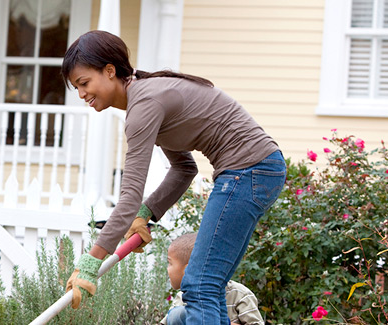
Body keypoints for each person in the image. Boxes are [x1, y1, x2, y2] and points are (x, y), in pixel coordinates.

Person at [61, 30, 286, 324]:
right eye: (76, 87)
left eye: (84, 83)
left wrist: (91, 261)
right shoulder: (147, 97)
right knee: (208, 285)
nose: (81, 94)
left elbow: (128, 198)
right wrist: (146, 214)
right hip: (258, 170)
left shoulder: (144, 105)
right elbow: (184, 169)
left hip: (247, 170)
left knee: (199, 285)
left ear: (109, 71)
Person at [162, 233, 264, 325]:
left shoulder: (240, 294)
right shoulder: (182, 296)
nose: (167, 268)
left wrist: (220, 321)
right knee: (176, 314)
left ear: (189, 269)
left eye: (170, 263)